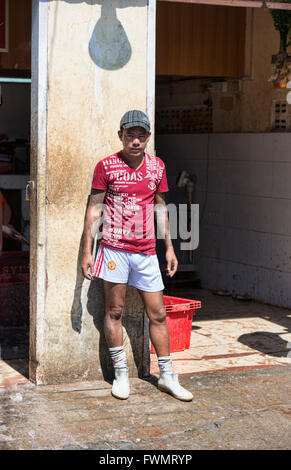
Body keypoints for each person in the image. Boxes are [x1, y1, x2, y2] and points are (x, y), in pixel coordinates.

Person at [81, 110, 193, 402]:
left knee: (157, 313)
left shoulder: (157, 167)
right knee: (114, 311)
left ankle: (167, 376)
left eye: (141, 135)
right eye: (130, 134)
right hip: (114, 250)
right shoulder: (105, 166)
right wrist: (87, 252)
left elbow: (160, 208)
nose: (135, 140)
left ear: (148, 137)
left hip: (146, 253)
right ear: (121, 136)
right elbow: (94, 210)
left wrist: (168, 247)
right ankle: (120, 374)